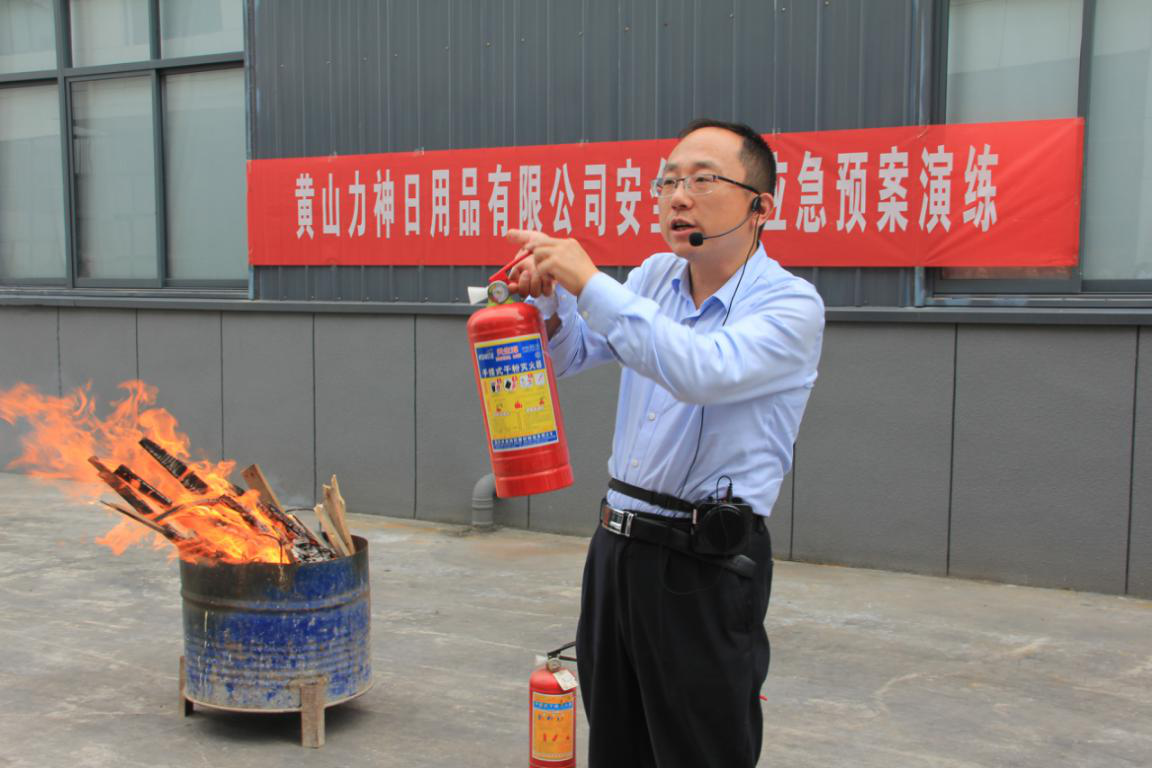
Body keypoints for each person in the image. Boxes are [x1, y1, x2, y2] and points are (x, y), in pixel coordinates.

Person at [506, 118, 824, 768]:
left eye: (703, 180)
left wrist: (591, 283)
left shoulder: (791, 306)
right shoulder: (653, 278)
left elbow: (700, 370)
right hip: (616, 549)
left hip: (702, 565)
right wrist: (552, 304)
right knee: (616, 742)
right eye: (668, 181)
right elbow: (571, 356)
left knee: (697, 750)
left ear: (762, 207)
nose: (678, 197)